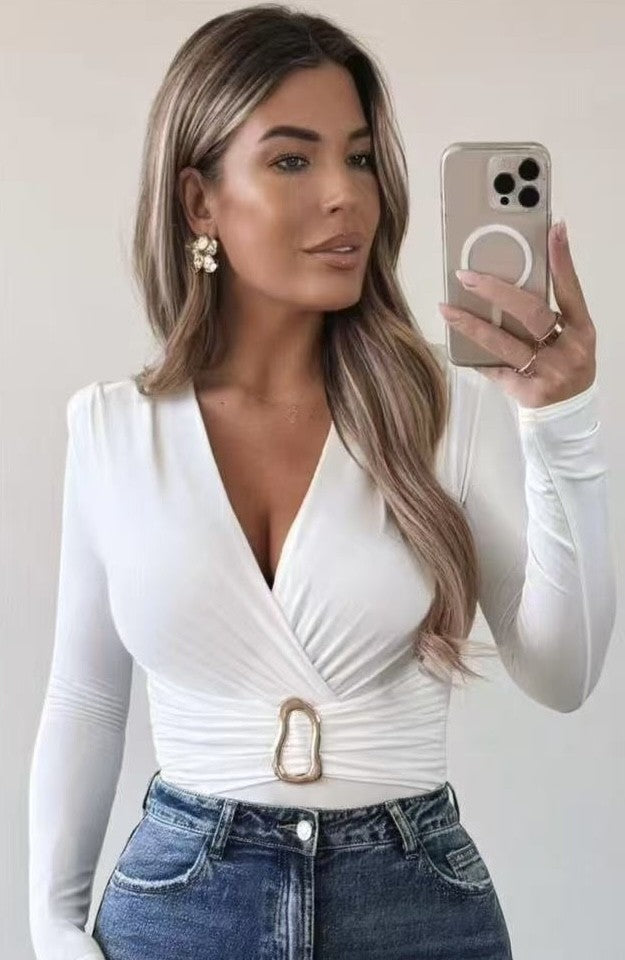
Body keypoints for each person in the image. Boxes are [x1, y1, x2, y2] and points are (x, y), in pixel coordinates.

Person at [28, 6, 616, 959]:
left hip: (415, 910)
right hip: (176, 909)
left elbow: (563, 673)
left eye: (359, 157)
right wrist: (52, 929)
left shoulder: (444, 408)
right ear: (199, 202)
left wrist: (560, 424)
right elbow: (85, 700)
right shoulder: (110, 429)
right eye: (293, 159)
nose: (346, 195)